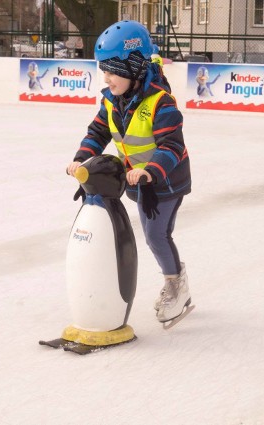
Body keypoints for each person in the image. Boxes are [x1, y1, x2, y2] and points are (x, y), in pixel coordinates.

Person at [66, 20, 192, 323]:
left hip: (165, 182)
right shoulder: (112, 100)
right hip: (136, 181)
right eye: (104, 71)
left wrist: (150, 170)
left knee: (156, 235)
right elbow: (97, 133)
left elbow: (171, 146)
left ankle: (177, 285)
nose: (106, 78)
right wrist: (82, 158)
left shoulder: (161, 103)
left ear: (133, 67)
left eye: (112, 71)